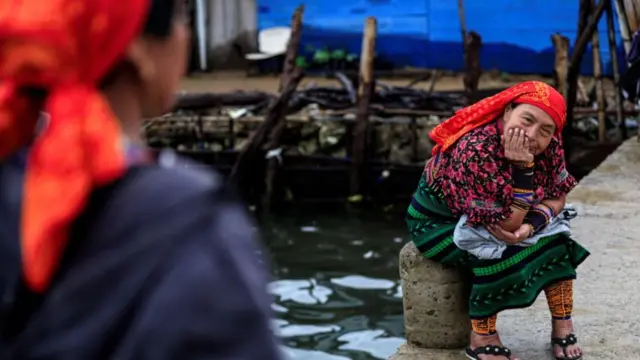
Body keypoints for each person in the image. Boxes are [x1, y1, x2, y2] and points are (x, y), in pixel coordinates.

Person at [0, 1, 283, 359]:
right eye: (180, 17)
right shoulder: (187, 221)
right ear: (138, 49)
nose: (184, 36)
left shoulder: (10, 177)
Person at [406, 81, 589, 360]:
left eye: (545, 130)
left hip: (508, 217)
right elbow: (506, 226)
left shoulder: (549, 146)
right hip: (440, 224)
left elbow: (556, 198)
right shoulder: (476, 149)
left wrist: (531, 226)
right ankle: (482, 336)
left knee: (559, 243)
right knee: (497, 253)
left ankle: (562, 323)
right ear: (507, 112)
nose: (532, 135)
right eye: (526, 120)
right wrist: (523, 168)